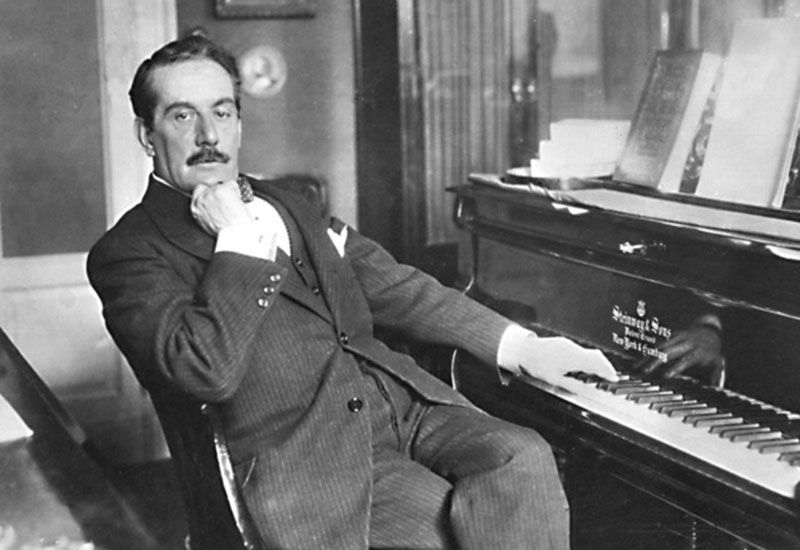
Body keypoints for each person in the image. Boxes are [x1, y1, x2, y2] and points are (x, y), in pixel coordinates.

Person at [86, 34, 618, 549]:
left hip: (403, 409)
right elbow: (205, 372)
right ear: (146, 134)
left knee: (522, 457)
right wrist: (238, 241)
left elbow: (395, 286)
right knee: (441, 527)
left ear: (239, 124)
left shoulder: (288, 201)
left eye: (222, 112)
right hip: (305, 461)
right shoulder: (129, 253)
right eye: (183, 116)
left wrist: (524, 347)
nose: (208, 134)